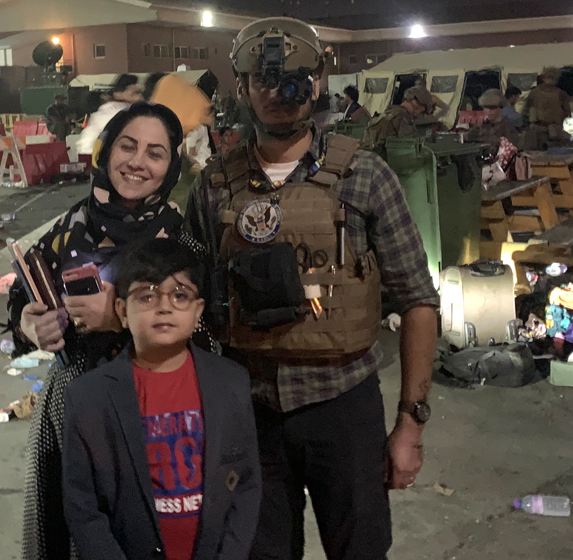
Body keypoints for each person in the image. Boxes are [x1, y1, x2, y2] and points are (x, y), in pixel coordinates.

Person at [186, 17, 439, 560]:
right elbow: (189, 299)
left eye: (296, 78)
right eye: (266, 80)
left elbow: (418, 299)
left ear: (319, 82)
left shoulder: (365, 176)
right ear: (242, 85)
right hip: (249, 409)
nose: (281, 92)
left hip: (342, 403)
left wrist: (410, 424)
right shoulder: (212, 185)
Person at [14, 102, 215, 560]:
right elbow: (21, 301)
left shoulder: (180, 242)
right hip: (72, 399)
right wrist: (30, 324)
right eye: (128, 146)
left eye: (155, 153)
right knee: (70, 532)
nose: (137, 162)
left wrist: (121, 317)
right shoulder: (67, 229)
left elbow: (209, 334)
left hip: (157, 407)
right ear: (106, 152)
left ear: (170, 167)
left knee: (143, 531)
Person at [62, 237, 260, 560]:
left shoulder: (230, 383)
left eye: (180, 295)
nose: (164, 306)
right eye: (147, 295)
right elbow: (83, 508)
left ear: (198, 312)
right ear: (122, 312)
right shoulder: (89, 398)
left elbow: (247, 484)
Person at [77, 74, 143, 155]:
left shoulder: (112, 110)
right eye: (135, 93)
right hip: (96, 157)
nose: (140, 98)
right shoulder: (115, 113)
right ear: (118, 94)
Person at [363, 85, 434, 148]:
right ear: (416, 104)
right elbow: (410, 144)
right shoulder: (402, 117)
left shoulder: (389, 112)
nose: (419, 115)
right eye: (421, 112)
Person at [520, 67, 571, 150]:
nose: (550, 79)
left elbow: (567, 112)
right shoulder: (534, 93)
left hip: (554, 131)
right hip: (537, 132)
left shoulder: (561, 94)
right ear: (543, 78)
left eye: (553, 77)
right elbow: (525, 112)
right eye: (549, 77)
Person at [465, 89, 520, 155]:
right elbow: (466, 138)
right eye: (486, 107)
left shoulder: (507, 128)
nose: (488, 111)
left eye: (492, 108)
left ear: (500, 107)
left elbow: (512, 152)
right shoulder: (480, 127)